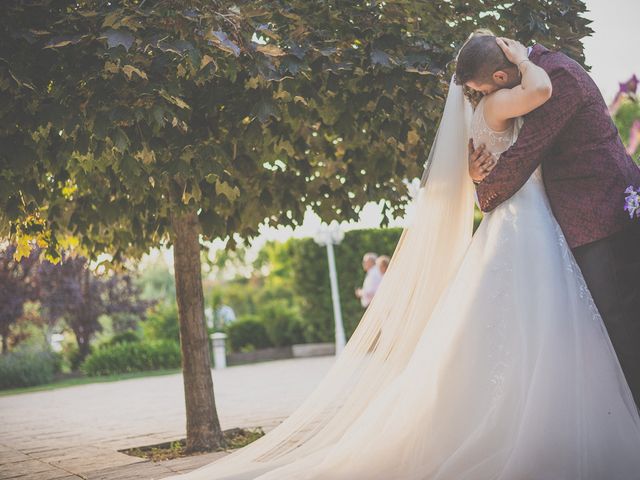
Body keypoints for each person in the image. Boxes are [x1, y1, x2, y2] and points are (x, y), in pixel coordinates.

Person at [161, 33, 640, 480]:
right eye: (471, 88)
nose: (472, 94)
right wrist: (520, 57)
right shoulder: (507, 97)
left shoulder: (520, 92)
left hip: (547, 221)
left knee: (543, 328)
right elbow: (532, 108)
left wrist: (481, 178)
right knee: (552, 326)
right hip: (530, 221)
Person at [466, 34, 640, 407]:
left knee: (620, 320)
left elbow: (525, 154)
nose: (478, 97)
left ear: (499, 77)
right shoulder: (541, 71)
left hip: (602, 217)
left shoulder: (556, 79)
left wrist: (482, 190)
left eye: (479, 89)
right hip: (592, 214)